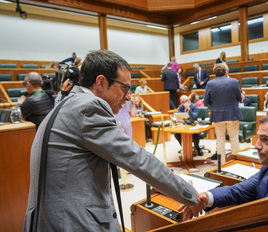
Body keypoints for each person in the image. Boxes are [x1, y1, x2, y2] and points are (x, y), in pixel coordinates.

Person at [23, 50, 198, 232]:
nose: (129, 97)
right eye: (125, 88)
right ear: (101, 82)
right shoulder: (88, 107)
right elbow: (138, 159)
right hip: (72, 223)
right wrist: (189, 194)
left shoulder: (66, 102)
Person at [178, 112, 268, 220]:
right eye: (258, 138)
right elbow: (239, 191)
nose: (256, 146)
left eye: (265, 140)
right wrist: (204, 197)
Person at [204, 63, 242, 163]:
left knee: (220, 140)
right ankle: (236, 163)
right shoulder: (234, 82)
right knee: (234, 139)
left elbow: (206, 102)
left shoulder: (210, 84)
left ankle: (221, 165)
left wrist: (216, 104)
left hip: (218, 115)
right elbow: (239, 98)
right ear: (226, 71)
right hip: (232, 115)